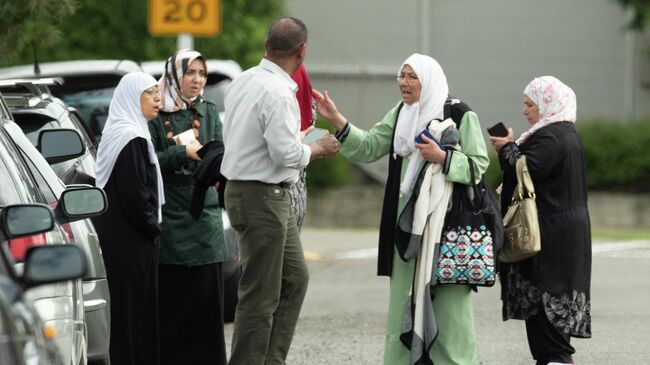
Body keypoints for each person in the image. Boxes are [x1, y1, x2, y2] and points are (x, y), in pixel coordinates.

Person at [313, 53, 488, 364]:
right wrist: (336, 118)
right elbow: (369, 147)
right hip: (405, 229)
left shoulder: (460, 114)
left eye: (412, 77)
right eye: (401, 76)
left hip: (445, 231)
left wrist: (443, 157)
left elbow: (478, 166)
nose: (404, 83)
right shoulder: (401, 113)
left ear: (429, 80)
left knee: (451, 313)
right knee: (402, 308)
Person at [221, 17, 340, 365]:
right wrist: (318, 147)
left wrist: (299, 143)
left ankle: (270, 359)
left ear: (267, 46)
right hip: (263, 196)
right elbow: (285, 154)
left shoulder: (244, 80)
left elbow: (252, 140)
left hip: (250, 191)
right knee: (260, 295)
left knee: (294, 279)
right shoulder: (278, 91)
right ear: (302, 50)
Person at [489, 76, 591, 365]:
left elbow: (528, 169)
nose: (525, 111)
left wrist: (507, 148)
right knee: (545, 304)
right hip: (560, 229)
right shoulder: (563, 133)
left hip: (552, 233)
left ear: (547, 104)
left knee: (548, 301)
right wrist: (509, 149)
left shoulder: (553, 136)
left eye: (529, 104)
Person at [148, 49, 228, 365]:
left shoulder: (209, 111)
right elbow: (151, 160)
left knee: (207, 309)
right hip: (171, 217)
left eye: (201, 74)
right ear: (173, 75)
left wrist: (210, 160)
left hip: (205, 215)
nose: (196, 80)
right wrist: (184, 154)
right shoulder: (156, 113)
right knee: (172, 308)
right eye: (190, 73)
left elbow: (218, 152)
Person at [92, 71, 164, 365]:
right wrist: (153, 228)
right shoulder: (129, 137)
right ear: (132, 98)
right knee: (134, 312)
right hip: (130, 241)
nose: (157, 98)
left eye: (158, 91)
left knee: (129, 311)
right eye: (150, 92)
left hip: (122, 237)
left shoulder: (125, 130)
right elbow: (135, 196)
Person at [289, 64, 317, 228]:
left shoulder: (251, 79)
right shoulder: (281, 87)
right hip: (283, 188)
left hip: (290, 185)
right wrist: (315, 149)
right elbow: (285, 151)